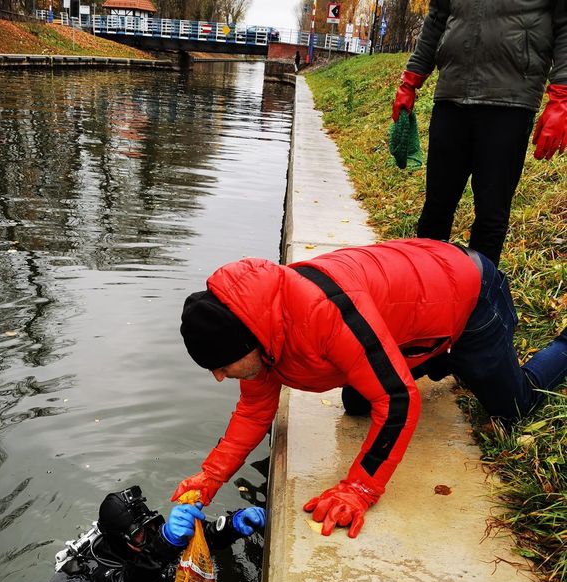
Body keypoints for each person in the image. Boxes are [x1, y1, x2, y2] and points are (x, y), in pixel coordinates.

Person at [172, 238, 567, 538]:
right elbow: (255, 412)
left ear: (249, 343)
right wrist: (209, 478)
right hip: (415, 300)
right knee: (357, 402)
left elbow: (397, 401)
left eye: (222, 366)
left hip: (468, 291)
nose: (220, 377)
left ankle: (558, 347)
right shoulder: (256, 327)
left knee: (514, 407)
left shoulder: (322, 313)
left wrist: (358, 488)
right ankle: (439, 357)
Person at [391, 1, 567, 266]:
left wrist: (561, 97)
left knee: (490, 215)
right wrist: (410, 80)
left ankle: (478, 299)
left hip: (510, 101)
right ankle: (423, 294)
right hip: (452, 94)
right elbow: (438, 17)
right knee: (435, 210)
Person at [55, 484, 265, 582]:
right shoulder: (98, 571)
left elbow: (199, 542)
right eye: (139, 534)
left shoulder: (151, 541)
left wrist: (230, 526)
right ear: (120, 541)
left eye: (153, 526)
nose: (151, 536)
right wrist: (164, 544)